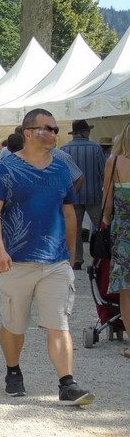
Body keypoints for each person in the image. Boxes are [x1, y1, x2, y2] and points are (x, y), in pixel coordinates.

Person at [0, 108, 95, 405]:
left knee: (59, 323)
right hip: (15, 260)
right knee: (14, 326)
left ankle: (67, 383)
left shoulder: (61, 170)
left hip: (55, 262)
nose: (54, 134)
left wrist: (71, 254)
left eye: (56, 129)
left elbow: (69, 212)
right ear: (29, 132)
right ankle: (13, 371)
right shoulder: (5, 169)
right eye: (48, 128)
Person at [99, 122, 130, 360]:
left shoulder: (115, 162)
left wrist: (106, 220)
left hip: (124, 231)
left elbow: (107, 201)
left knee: (126, 288)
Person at [60, 120, 105, 271]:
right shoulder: (96, 148)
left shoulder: (64, 149)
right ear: (85, 133)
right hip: (94, 195)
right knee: (100, 228)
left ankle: (77, 260)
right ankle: (100, 258)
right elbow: (102, 171)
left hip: (73, 196)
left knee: (75, 228)